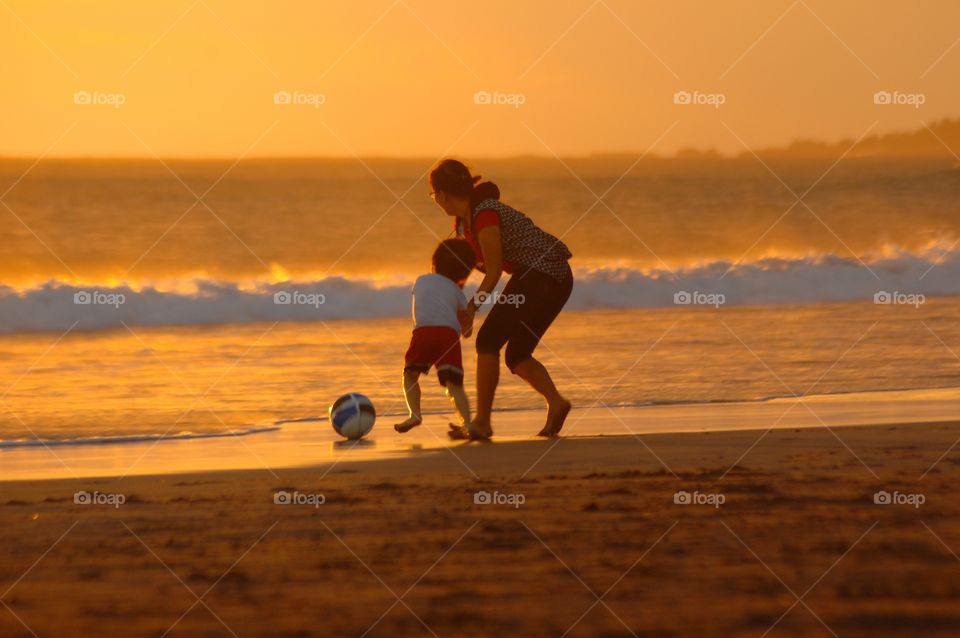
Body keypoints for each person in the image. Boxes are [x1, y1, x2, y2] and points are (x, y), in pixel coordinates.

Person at [428, 159, 574, 439]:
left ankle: (482, 422)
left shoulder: (484, 215)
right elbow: (467, 268)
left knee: (488, 340)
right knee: (516, 354)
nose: (435, 201)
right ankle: (556, 403)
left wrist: (471, 308)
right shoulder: (464, 223)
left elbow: (494, 272)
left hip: (544, 275)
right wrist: (458, 305)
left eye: (434, 195)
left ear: (443, 195)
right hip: (553, 278)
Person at [394, 239, 477, 433]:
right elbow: (467, 331)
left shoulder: (421, 280)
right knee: (453, 384)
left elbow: (429, 297)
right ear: (465, 273)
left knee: (410, 375)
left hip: (422, 333)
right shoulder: (458, 292)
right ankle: (468, 424)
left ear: (435, 262)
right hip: (448, 335)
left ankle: (414, 414)